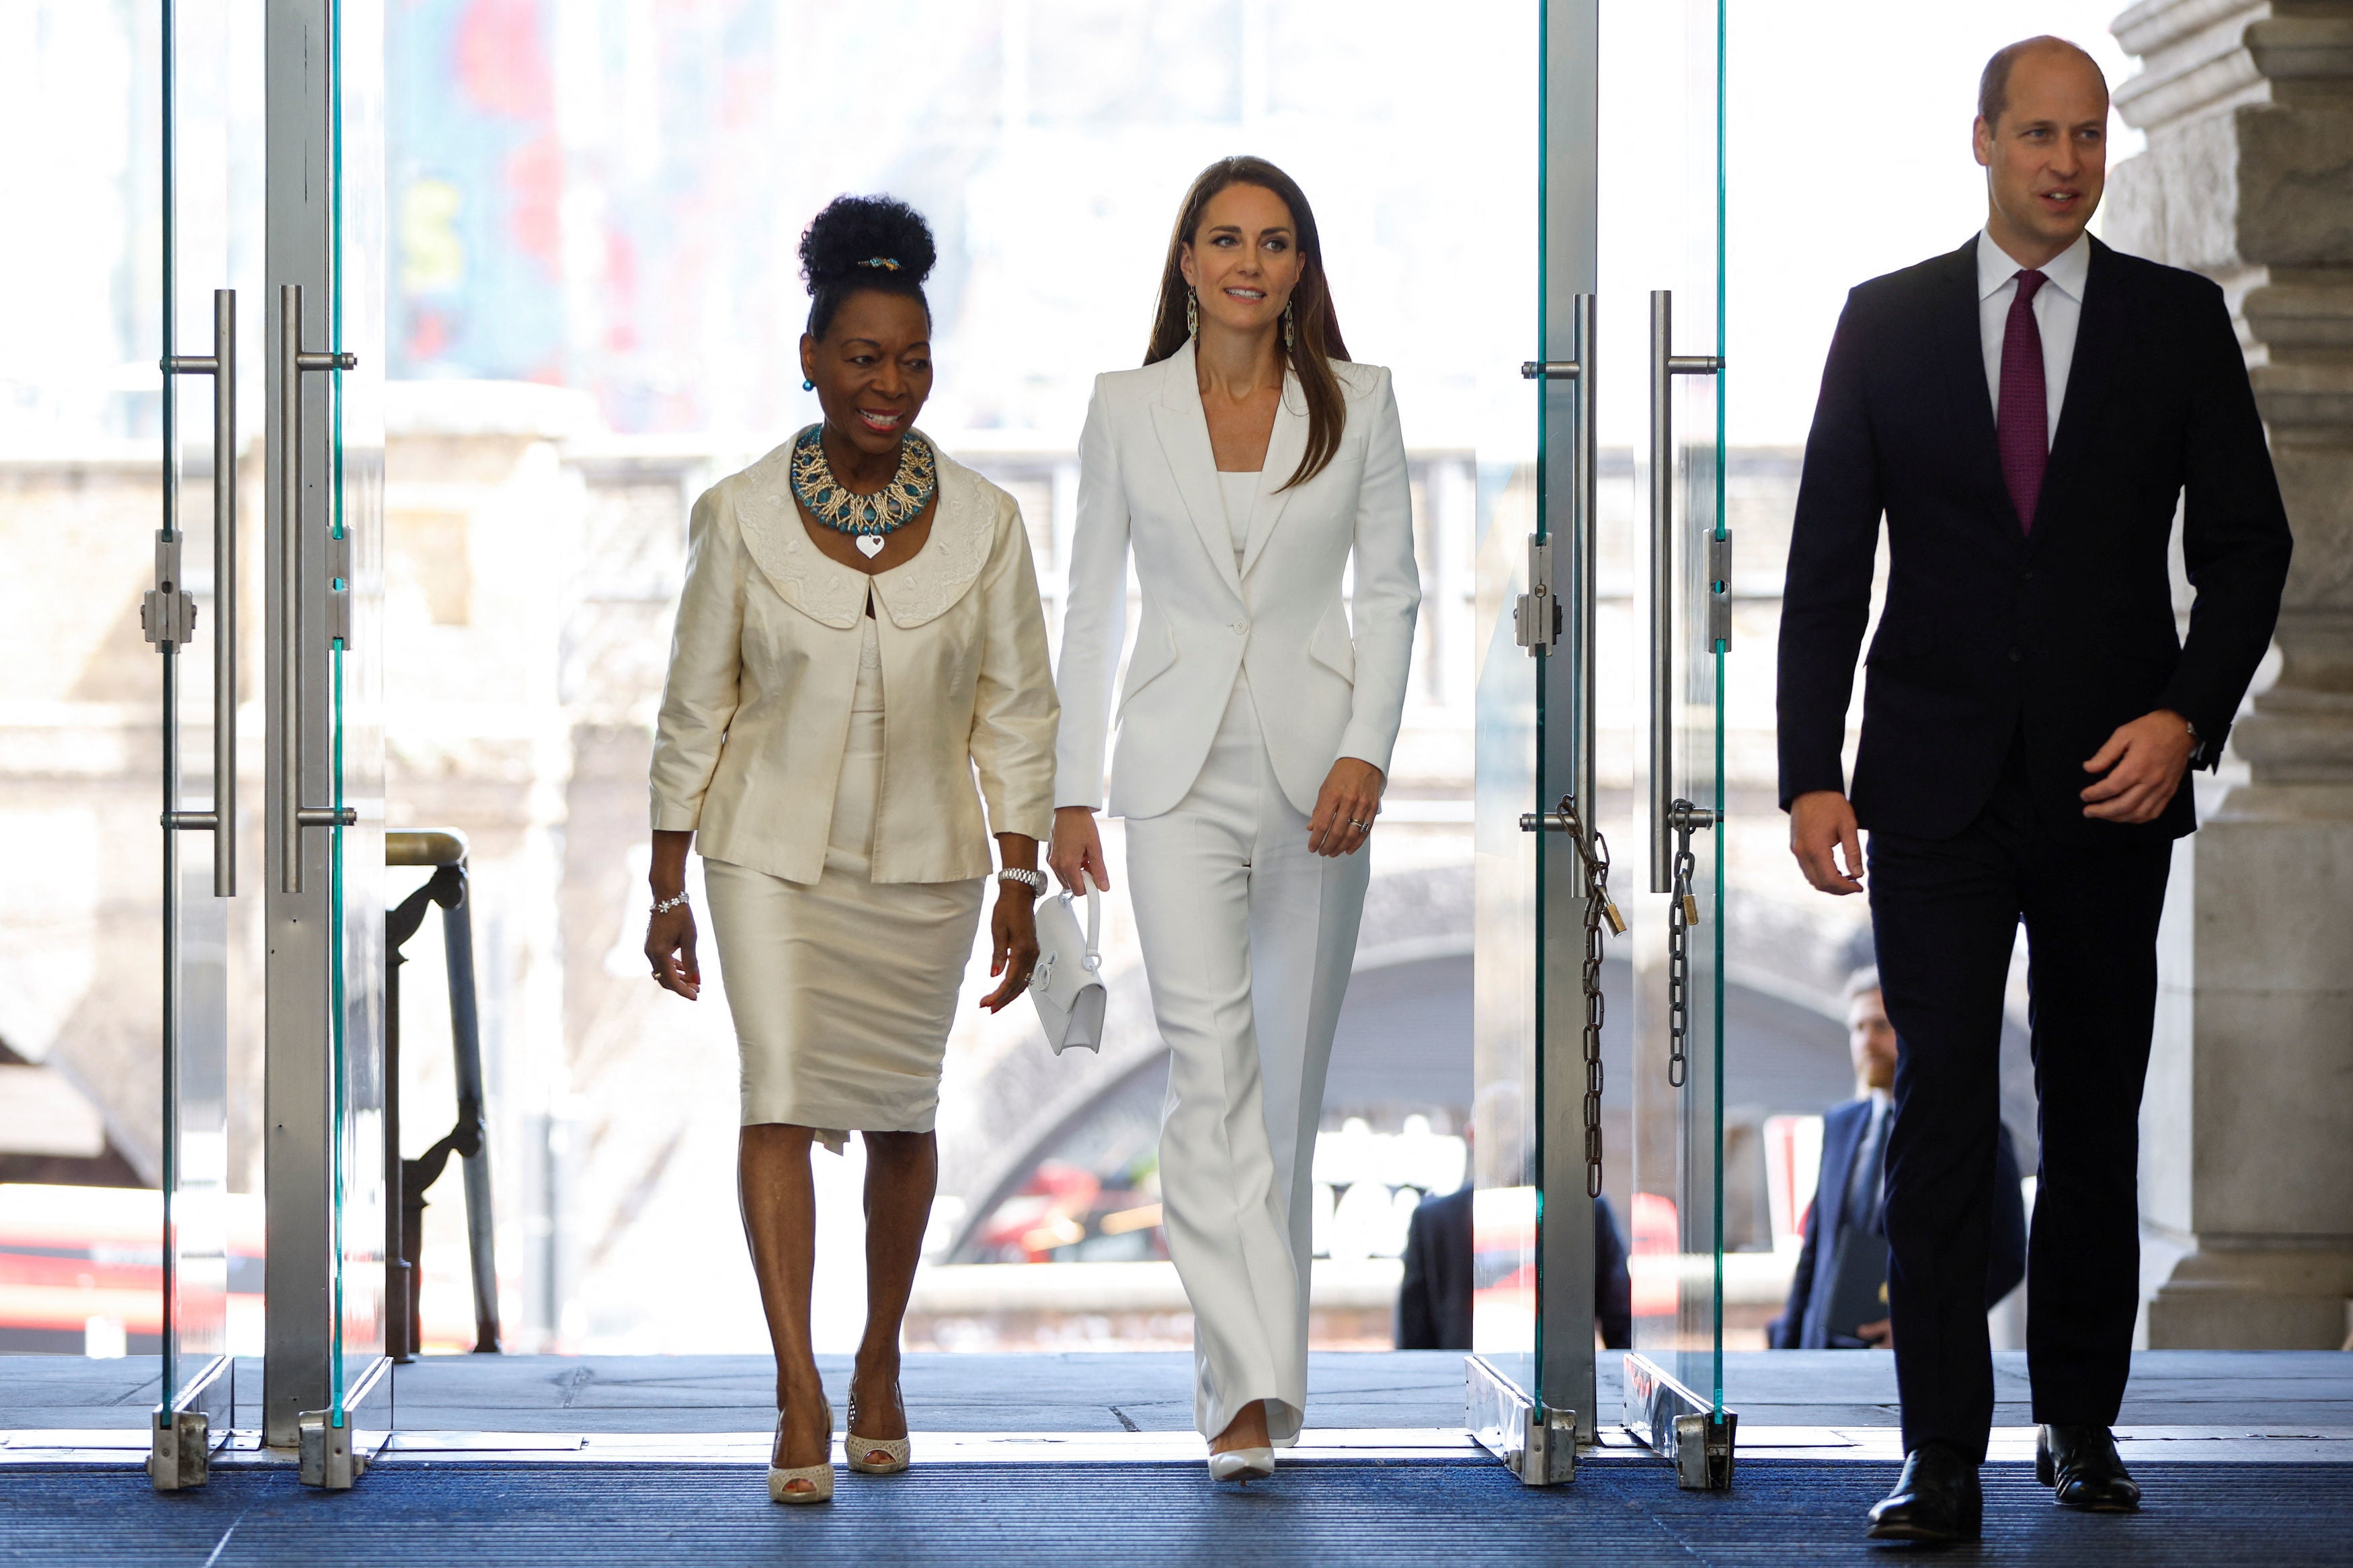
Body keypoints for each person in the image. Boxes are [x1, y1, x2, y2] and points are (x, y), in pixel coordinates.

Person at [1777, 37, 2292, 1543]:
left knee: (2092, 1097)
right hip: (1927, 788)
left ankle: (2078, 1417)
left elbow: (2248, 551)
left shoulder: (2176, 321)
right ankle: (1938, 1445)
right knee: (1939, 1105)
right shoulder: (1884, 324)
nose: (2065, 162)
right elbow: (1823, 571)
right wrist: (1811, 772)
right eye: (2037, 135)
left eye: (2088, 137)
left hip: (2106, 785)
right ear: (1984, 139)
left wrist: (2185, 717)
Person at [644, 196, 1058, 1505]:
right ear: (812, 356)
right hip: (762, 856)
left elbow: (1018, 707)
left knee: (902, 1109)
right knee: (777, 1089)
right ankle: (799, 1382)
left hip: (930, 865)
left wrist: (1020, 874)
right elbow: (692, 703)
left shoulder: (990, 523)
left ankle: (880, 1354)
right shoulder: (736, 516)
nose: (889, 382)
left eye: (913, 359)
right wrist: (664, 886)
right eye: (865, 355)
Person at [1048, 156, 1420, 1483]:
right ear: (1188, 261)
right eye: (1223, 239)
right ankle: (1242, 1391)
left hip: (1320, 774)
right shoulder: (1125, 407)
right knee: (1207, 1070)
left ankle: (1259, 1380)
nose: (1247, 262)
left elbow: (1394, 595)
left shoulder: (1359, 403)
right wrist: (1068, 786)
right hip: (1169, 768)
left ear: (1300, 267)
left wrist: (1369, 751)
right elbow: (1088, 601)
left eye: (1272, 242)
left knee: (1282, 1096)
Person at [1771, 968, 2024, 1351]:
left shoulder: (1972, 1132)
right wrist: (1785, 1351)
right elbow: (1816, 1249)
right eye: (1858, 1028)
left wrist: (1926, 1323)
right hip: (1823, 1352)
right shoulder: (1840, 1124)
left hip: (1915, 1354)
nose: (1866, 1041)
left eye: (1880, 1027)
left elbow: (2006, 1256)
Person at [1396, 1189, 1631, 1353]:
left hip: (1461, 1395)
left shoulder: (1434, 1220)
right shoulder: (1588, 1211)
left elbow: (1413, 1342)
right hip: (1560, 1401)